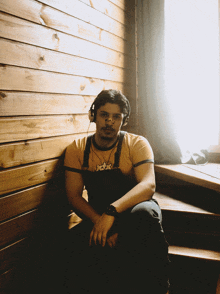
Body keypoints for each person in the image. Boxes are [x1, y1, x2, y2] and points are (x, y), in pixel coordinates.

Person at [63, 89, 170, 294]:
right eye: (104, 115)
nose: (109, 122)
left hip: (133, 210)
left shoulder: (137, 144)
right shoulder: (77, 149)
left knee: (145, 215)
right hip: (98, 215)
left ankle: (160, 288)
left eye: (116, 117)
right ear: (93, 115)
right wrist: (100, 222)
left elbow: (148, 185)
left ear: (124, 120)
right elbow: (73, 196)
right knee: (72, 243)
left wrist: (112, 212)